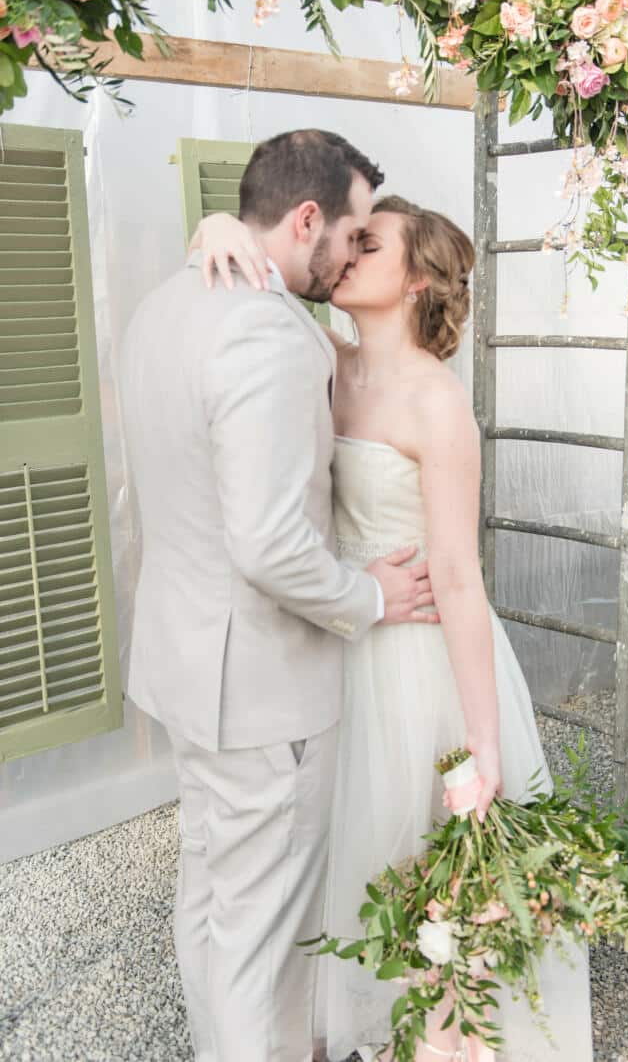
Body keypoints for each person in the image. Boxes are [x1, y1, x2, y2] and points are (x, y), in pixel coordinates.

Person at [195, 192, 594, 1061]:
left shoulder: (438, 404)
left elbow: (457, 575)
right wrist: (219, 227)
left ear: (413, 281)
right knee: (352, 868)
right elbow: (253, 270)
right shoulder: (323, 359)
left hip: (422, 668)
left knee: (429, 877)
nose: (345, 249)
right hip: (343, 646)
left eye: (368, 243)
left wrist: (486, 745)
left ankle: (447, 1043)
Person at [119, 130, 439, 1062]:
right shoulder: (270, 335)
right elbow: (269, 545)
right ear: (306, 219)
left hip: (186, 669)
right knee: (260, 928)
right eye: (347, 232)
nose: (348, 255)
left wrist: (216, 225)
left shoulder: (168, 304)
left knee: (215, 897)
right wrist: (370, 596)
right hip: (261, 688)